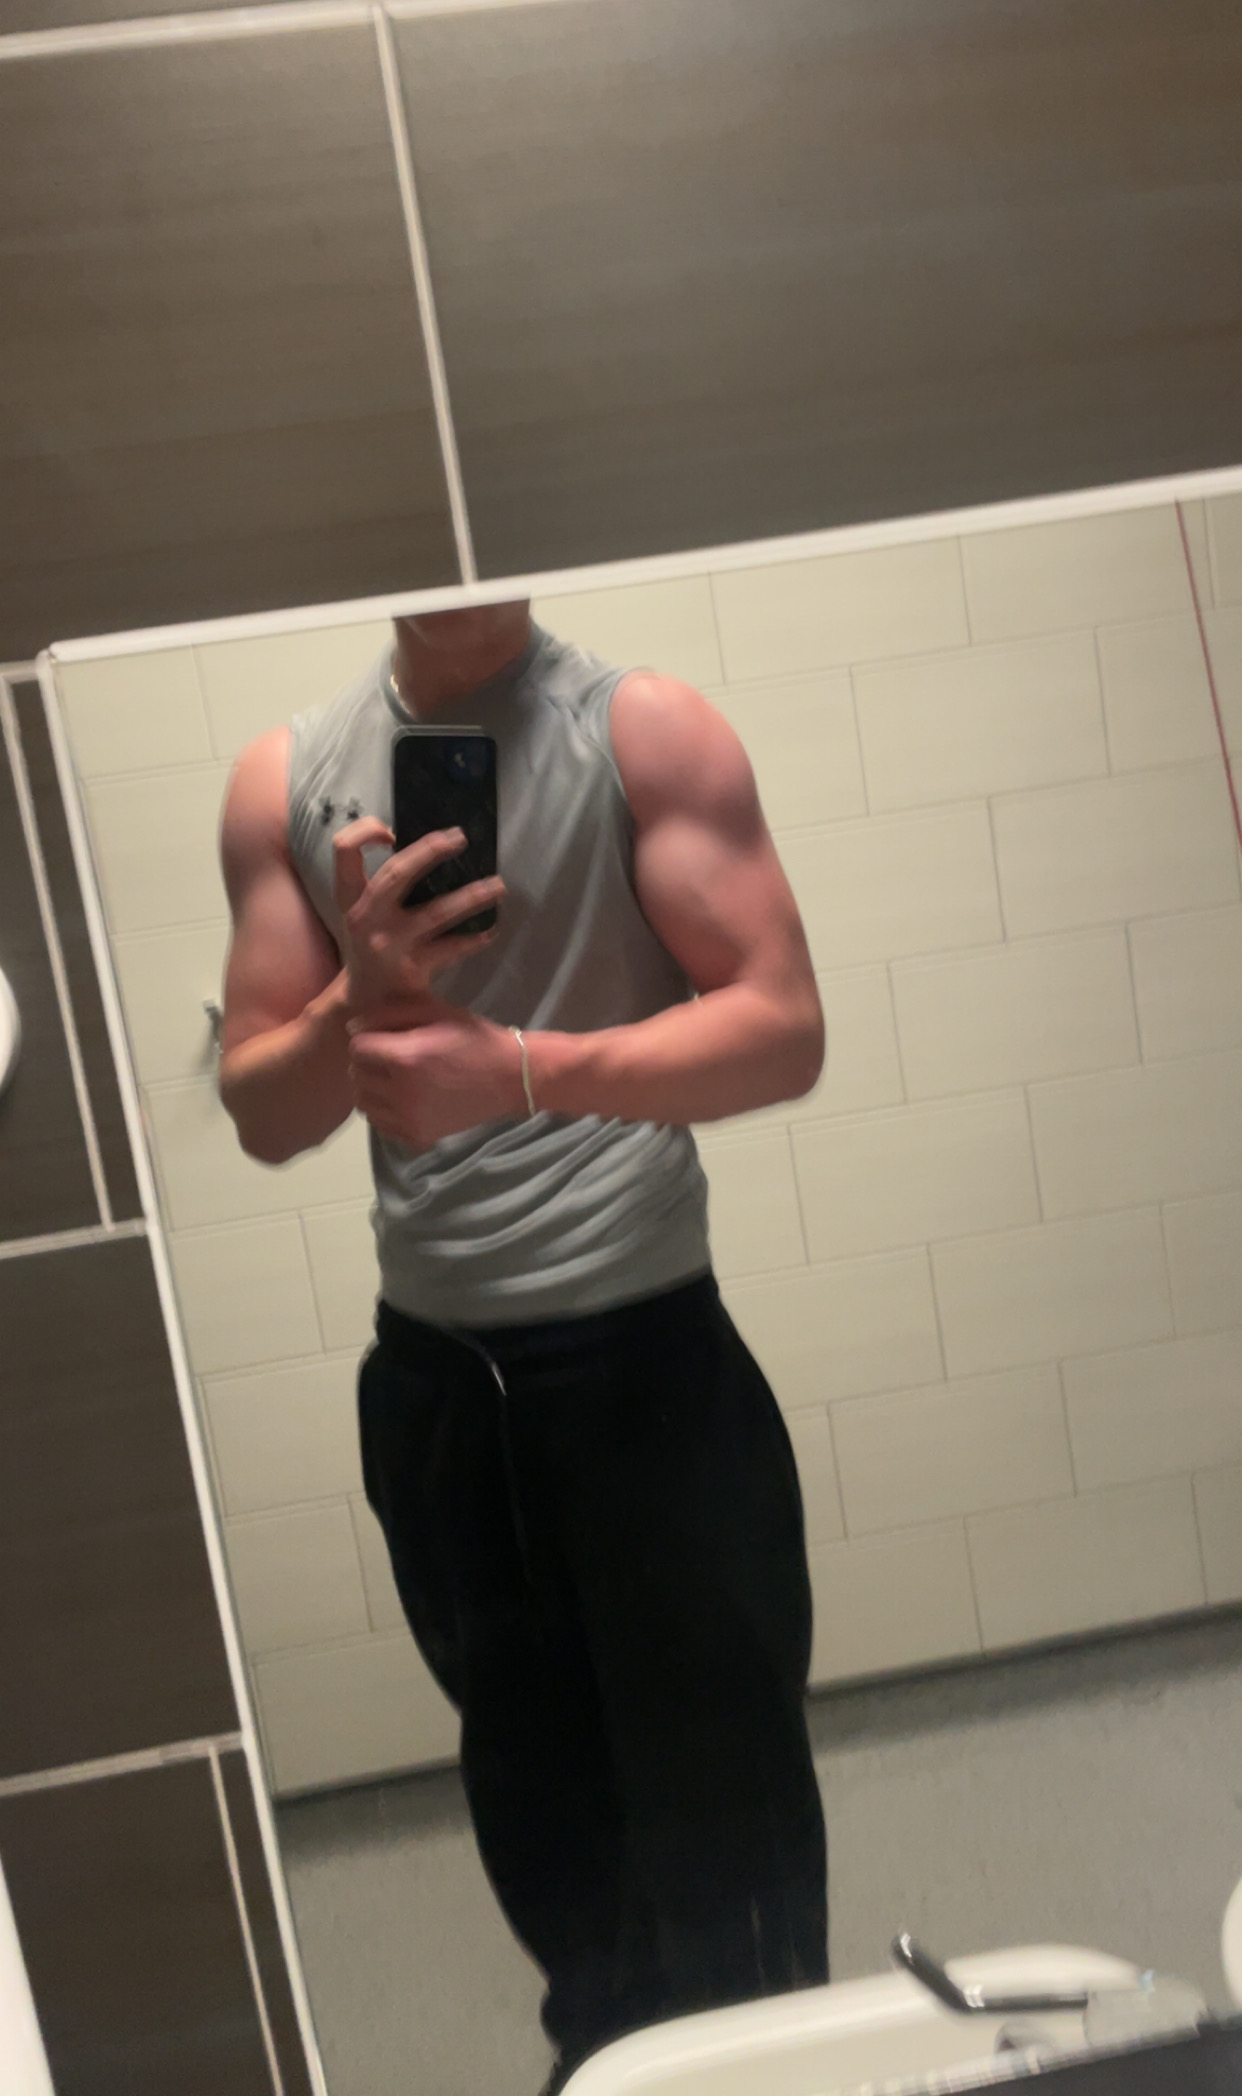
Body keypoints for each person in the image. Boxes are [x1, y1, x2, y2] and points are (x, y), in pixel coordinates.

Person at [218, 597, 829, 2093]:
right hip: (442, 1395)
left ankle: (772, 2063)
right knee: (541, 1805)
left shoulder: (642, 732)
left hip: (647, 1365)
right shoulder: (286, 776)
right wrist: (359, 998)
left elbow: (782, 1026)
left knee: (729, 1811)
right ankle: (610, 2057)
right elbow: (262, 1112)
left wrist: (524, 1074)